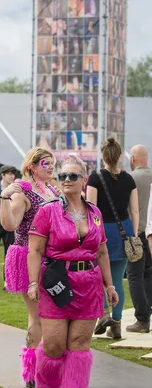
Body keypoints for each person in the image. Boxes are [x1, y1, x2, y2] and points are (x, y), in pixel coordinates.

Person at [27, 155, 118, 388]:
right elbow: (35, 249)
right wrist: (33, 282)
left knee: (80, 344)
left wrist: (109, 286)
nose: (67, 180)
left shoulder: (95, 213)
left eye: (73, 176)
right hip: (57, 282)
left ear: (84, 180)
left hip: (88, 285)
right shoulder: (48, 211)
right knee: (54, 345)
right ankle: (47, 385)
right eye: (63, 176)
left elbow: (101, 252)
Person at [2, 148, 58, 388]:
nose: (51, 167)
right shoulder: (22, 190)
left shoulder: (52, 190)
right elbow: (10, 224)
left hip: (52, 260)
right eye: (46, 163)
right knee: (37, 316)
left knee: (52, 317)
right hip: (28, 257)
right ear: (32, 166)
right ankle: (31, 369)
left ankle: (47, 365)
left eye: (53, 163)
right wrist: (4, 199)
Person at [86, 138, 139, 339]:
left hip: (102, 231)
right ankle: (115, 324)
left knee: (99, 278)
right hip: (124, 229)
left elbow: (91, 209)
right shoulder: (128, 179)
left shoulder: (95, 178)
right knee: (117, 278)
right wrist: (132, 234)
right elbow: (133, 210)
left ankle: (105, 314)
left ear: (103, 156)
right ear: (120, 157)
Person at [126, 146, 152, 332]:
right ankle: (148, 311)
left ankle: (142, 319)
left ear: (133, 158)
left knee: (134, 275)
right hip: (150, 232)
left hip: (136, 232)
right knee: (149, 274)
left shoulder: (130, 179)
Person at [0, 165, 17, 286]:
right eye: (9, 173)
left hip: (9, 225)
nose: (12, 176)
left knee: (9, 254)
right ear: (2, 175)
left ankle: (7, 281)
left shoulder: (16, 190)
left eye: (13, 174)